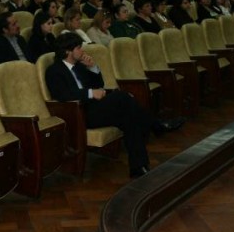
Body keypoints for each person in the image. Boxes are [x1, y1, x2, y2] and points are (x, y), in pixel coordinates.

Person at [45, 33, 153, 178]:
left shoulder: (79, 67)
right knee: (123, 97)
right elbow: (63, 95)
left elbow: (99, 85)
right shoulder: (54, 71)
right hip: (80, 114)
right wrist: (90, 93)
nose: (82, 51)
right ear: (67, 51)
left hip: (95, 108)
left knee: (129, 117)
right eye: (78, 48)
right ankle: (154, 124)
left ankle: (138, 167)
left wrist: (93, 68)